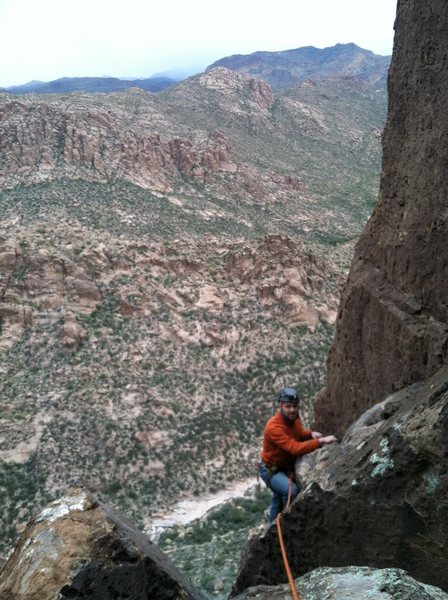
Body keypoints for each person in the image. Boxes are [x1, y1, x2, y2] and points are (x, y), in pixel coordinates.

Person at [258, 386, 337, 524]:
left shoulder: (293, 419)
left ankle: (273, 530)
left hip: (282, 467)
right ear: (280, 405)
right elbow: (294, 448)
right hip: (271, 470)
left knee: (278, 498)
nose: (292, 410)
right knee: (290, 491)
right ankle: (283, 526)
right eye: (288, 406)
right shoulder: (274, 427)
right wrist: (320, 442)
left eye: (294, 406)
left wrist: (310, 434)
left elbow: (297, 433)